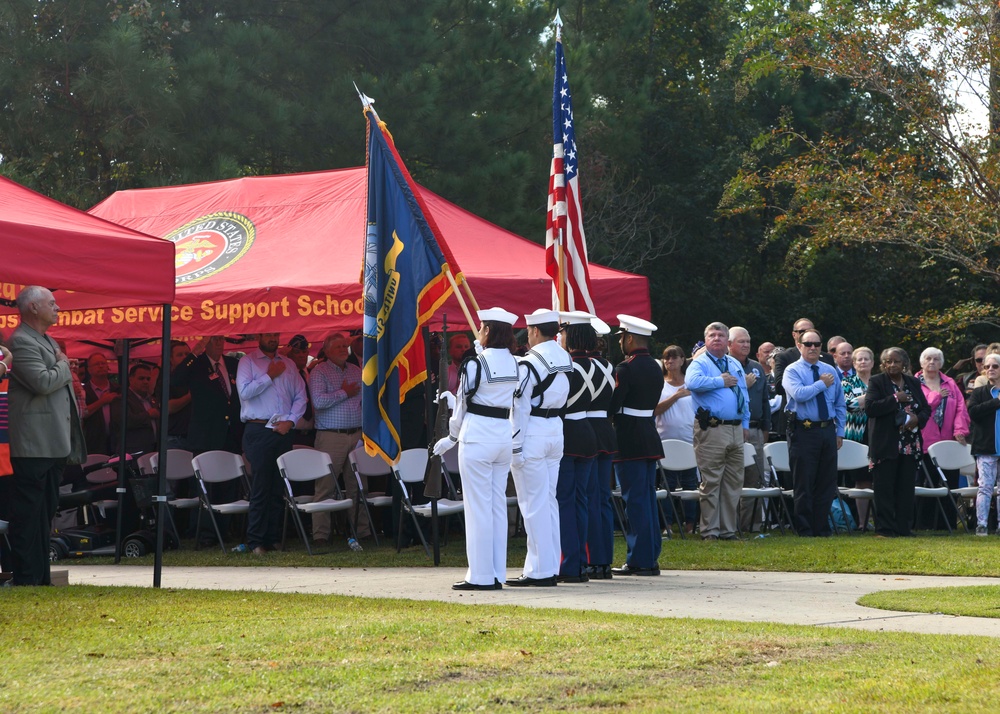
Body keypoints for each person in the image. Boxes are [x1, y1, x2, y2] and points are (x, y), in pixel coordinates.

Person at [433, 308, 519, 591]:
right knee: (495, 506)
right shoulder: (516, 362)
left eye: (481, 327)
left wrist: (451, 436)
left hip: (478, 436)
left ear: (489, 332)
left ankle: (480, 575)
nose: (477, 332)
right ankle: (496, 572)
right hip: (502, 436)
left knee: (478, 507)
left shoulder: (475, 364)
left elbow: (463, 405)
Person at [6, 286, 86, 586]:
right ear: (33, 308)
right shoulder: (21, 342)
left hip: (51, 443)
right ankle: (27, 577)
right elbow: (41, 382)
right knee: (28, 514)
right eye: (51, 303)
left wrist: (60, 365)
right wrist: (64, 364)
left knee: (45, 514)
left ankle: (40, 577)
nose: (58, 307)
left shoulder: (46, 339)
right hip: (32, 445)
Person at [506, 309, 570, 587]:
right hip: (555, 428)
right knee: (548, 500)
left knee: (532, 504)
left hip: (532, 430)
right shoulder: (563, 355)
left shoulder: (528, 363)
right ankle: (548, 565)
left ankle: (538, 571)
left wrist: (515, 446)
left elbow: (519, 407)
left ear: (533, 331)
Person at [237, 332, 308, 555]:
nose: (272, 338)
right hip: (259, 429)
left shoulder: (288, 364)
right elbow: (245, 392)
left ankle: (273, 538)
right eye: (268, 335)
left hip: (283, 430)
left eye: (275, 335)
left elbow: (301, 397)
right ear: (259, 336)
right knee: (261, 486)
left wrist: (291, 421)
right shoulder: (247, 361)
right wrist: (269, 376)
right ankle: (256, 541)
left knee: (278, 487)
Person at [609, 315, 663, 574]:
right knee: (647, 499)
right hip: (648, 435)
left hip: (629, 438)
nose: (621, 342)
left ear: (629, 338)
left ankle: (639, 559)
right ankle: (650, 555)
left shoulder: (625, 368)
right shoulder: (654, 366)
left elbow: (614, 404)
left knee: (635, 501)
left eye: (622, 338)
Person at [686, 322, 750, 541]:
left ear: (727, 341)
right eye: (712, 335)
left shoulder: (733, 363)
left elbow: (743, 394)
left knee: (733, 482)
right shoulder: (700, 362)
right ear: (705, 340)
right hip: (712, 428)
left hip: (735, 427)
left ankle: (727, 530)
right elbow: (691, 382)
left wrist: (746, 423)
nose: (716, 338)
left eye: (721, 335)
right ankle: (710, 531)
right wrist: (719, 381)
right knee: (712, 481)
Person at [782, 329, 847, 537]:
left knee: (826, 482)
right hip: (804, 430)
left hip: (827, 430)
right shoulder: (792, 370)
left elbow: (839, 403)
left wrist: (840, 431)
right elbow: (800, 395)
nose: (813, 348)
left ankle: (821, 526)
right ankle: (804, 528)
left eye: (817, 344)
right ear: (799, 346)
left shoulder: (829, 369)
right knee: (804, 482)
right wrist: (821, 384)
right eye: (808, 344)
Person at [865, 347, 930, 538]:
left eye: (896, 361)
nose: (892, 365)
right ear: (883, 364)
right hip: (886, 443)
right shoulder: (877, 381)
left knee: (905, 487)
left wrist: (918, 419)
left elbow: (926, 408)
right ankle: (885, 529)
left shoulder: (912, 382)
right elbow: (870, 408)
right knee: (884, 488)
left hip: (910, 443)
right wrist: (895, 398)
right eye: (888, 361)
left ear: (904, 364)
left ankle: (903, 528)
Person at [554, 311, 597, 584]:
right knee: (579, 501)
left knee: (565, 502)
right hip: (587, 433)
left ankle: (569, 563)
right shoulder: (600, 365)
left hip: (568, 433)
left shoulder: (568, 365)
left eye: (563, 332)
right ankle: (580, 560)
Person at [309, 332, 364, 547]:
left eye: (346, 346)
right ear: (327, 350)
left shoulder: (356, 371)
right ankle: (321, 535)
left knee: (358, 485)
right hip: (331, 436)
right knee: (325, 486)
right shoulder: (319, 371)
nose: (344, 349)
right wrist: (344, 392)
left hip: (356, 434)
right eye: (339, 346)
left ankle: (361, 531)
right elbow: (318, 401)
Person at [915, 347, 970, 530]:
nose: (932, 362)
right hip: (923, 441)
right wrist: (937, 396)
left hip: (948, 441)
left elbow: (961, 408)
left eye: (936, 359)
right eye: (928, 359)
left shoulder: (950, 383)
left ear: (942, 363)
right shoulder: (914, 383)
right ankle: (922, 524)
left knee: (950, 482)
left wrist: (960, 430)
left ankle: (946, 525)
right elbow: (919, 409)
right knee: (925, 482)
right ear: (921, 362)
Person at [584, 319, 617, 580]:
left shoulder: (578, 366)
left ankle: (594, 558)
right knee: (602, 497)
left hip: (586, 430)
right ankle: (604, 558)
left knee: (590, 498)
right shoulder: (608, 365)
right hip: (605, 430)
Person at [729, 326, 771, 532]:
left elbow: (765, 400)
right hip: (732, 428)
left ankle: (752, 525)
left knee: (754, 479)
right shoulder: (724, 365)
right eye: (741, 341)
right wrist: (741, 385)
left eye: (748, 341)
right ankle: (732, 525)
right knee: (733, 478)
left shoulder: (756, 368)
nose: (746, 345)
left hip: (755, 429)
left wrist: (765, 428)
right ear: (729, 344)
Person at [654, 344, 697, 531]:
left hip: (690, 440)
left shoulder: (692, 383)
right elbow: (655, 409)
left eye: (674, 357)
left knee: (690, 484)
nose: (669, 361)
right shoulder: (659, 384)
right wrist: (676, 396)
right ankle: (667, 525)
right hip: (665, 441)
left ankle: (690, 524)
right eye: (666, 358)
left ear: (682, 360)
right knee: (667, 484)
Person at [966, 352, 1000, 535]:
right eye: (987, 367)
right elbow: (973, 413)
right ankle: (982, 525)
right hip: (986, 447)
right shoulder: (980, 392)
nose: (990, 369)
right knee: (985, 487)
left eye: (995, 366)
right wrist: (996, 402)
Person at [842, 346, 875, 528]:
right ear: (853, 364)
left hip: (877, 436)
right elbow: (850, 405)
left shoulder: (879, 382)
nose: (862, 362)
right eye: (859, 360)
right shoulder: (847, 383)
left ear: (872, 363)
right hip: (855, 436)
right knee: (860, 480)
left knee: (876, 480)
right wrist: (872, 397)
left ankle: (877, 520)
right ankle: (861, 523)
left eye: (866, 359)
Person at [772, 318, 835, 397]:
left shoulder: (827, 358)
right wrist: (820, 383)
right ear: (794, 334)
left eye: (810, 331)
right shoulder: (784, 357)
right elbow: (779, 387)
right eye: (802, 331)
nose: (806, 333)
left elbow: (836, 389)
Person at [109, 363, 158, 454]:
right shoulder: (121, 399)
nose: (146, 382)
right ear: (130, 379)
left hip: (153, 450)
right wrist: (148, 414)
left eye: (148, 379)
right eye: (141, 378)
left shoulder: (152, 400)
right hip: (132, 452)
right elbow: (125, 421)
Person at [81, 352, 119, 455]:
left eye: (103, 363)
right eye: (97, 364)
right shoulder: (83, 391)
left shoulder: (118, 389)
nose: (101, 366)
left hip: (117, 444)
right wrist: (102, 401)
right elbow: (82, 412)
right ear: (89, 370)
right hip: (94, 444)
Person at [286, 335, 315, 447]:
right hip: (292, 433)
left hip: (312, 433)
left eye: (304, 351)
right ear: (289, 354)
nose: (302, 355)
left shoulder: (313, 374)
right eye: (297, 352)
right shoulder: (285, 376)